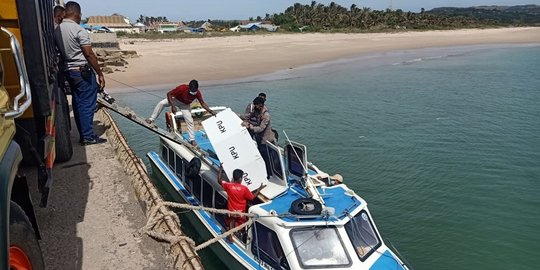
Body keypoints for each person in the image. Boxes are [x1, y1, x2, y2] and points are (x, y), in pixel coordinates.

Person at [55, 1, 106, 145]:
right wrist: (99, 73)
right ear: (78, 14)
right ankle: (88, 136)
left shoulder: (58, 29)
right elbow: (89, 53)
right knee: (87, 104)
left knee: (78, 103)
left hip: (69, 71)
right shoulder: (79, 30)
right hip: (81, 71)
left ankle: (85, 134)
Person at [145, 79, 216, 146]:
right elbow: (169, 94)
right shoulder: (182, 88)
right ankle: (151, 119)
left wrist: (210, 111)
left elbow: (202, 103)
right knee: (161, 103)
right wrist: (172, 106)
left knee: (190, 120)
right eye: (191, 90)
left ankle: (192, 139)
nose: (193, 92)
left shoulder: (197, 93)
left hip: (185, 105)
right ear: (189, 87)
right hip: (175, 100)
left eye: (194, 91)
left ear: (197, 89)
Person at [218, 167, 265, 241]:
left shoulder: (228, 186)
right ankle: (238, 236)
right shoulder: (244, 189)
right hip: (241, 213)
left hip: (231, 212)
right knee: (241, 226)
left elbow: (219, 180)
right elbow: (252, 198)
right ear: (240, 179)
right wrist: (259, 189)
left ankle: (230, 235)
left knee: (231, 221)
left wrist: (220, 170)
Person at [242, 97, 276, 179]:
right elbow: (248, 116)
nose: (255, 108)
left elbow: (261, 128)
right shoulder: (256, 111)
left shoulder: (266, 115)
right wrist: (243, 119)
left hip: (266, 140)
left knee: (266, 158)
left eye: (257, 106)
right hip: (259, 139)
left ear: (260, 105)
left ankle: (269, 175)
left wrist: (250, 127)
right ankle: (264, 172)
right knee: (262, 155)